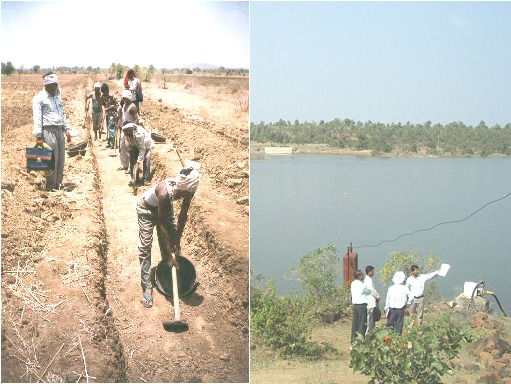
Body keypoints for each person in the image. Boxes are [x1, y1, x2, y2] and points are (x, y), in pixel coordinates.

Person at [136, 156, 200, 308]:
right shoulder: (165, 193)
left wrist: (176, 241)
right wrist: (170, 247)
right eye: (187, 195)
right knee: (145, 247)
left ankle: (172, 277)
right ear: (181, 190)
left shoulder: (188, 189)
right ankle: (147, 287)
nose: (188, 197)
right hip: (146, 209)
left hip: (164, 209)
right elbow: (162, 225)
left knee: (172, 244)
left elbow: (183, 216)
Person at [32, 72, 71, 191]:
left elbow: (62, 113)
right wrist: (39, 135)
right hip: (48, 131)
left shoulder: (57, 98)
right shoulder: (39, 98)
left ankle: (58, 182)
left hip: (59, 130)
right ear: (47, 86)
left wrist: (67, 129)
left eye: (56, 85)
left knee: (61, 158)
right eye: (53, 86)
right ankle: (50, 185)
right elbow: (37, 117)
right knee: (52, 158)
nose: (56, 88)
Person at [117, 89, 141, 172]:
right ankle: (124, 165)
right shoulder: (124, 105)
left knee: (131, 150)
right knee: (122, 147)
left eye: (126, 98)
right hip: (124, 130)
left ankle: (132, 168)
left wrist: (132, 128)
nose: (124, 100)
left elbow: (136, 119)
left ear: (129, 98)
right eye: (123, 98)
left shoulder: (132, 107)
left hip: (131, 131)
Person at [351, 270, 371, 342]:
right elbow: (369, 291)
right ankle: (360, 339)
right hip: (361, 306)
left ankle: (353, 338)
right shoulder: (362, 285)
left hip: (355, 306)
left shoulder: (353, 284)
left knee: (355, 323)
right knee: (362, 323)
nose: (363, 276)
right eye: (362, 275)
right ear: (359, 276)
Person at [100, 83, 118, 149]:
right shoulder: (102, 97)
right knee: (109, 128)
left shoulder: (112, 96)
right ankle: (110, 141)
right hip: (107, 115)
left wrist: (109, 108)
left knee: (111, 128)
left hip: (113, 115)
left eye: (106, 92)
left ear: (108, 90)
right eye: (103, 93)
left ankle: (112, 144)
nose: (105, 94)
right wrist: (105, 107)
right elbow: (102, 103)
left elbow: (117, 105)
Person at [364, 265, 380, 333]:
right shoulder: (368, 281)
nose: (373, 272)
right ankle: (368, 333)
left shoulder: (368, 279)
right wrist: (378, 296)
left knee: (371, 319)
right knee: (370, 320)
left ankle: (372, 332)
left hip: (370, 301)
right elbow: (372, 290)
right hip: (370, 302)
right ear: (369, 272)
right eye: (372, 271)